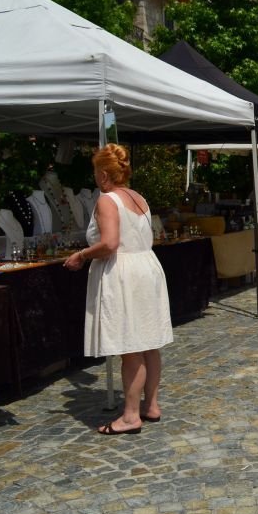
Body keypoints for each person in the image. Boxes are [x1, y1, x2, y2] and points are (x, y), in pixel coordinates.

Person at [64, 145, 172, 435]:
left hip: (124, 272)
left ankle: (130, 415)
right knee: (148, 342)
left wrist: (82, 255)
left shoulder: (107, 200)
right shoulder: (139, 197)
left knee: (131, 346)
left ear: (102, 175)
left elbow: (110, 243)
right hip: (146, 268)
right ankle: (151, 405)